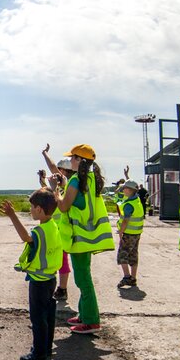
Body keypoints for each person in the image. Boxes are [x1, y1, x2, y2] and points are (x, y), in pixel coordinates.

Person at [50, 143, 115, 335]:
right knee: (83, 277)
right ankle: (84, 314)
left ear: (80, 160)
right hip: (88, 237)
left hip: (79, 239)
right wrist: (65, 185)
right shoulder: (91, 179)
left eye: (72, 158)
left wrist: (55, 189)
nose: (70, 161)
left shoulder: (76, 180)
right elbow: (79, 200)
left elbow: (63, 207)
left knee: (83, 280)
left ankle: (91, 321)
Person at [0, 189, 63, 360]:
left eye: (32, 207)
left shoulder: (40, 231)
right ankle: (46, 348)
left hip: (39, 281)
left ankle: (39, 353)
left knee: (38, 318)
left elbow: (26, 237)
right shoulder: (53, 226)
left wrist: (12, 216)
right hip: (51, 277)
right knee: (48, 315)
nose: (30, 210)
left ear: (40, 210)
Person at [40, 146, 73, 300]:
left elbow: (52, 167)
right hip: (58, 229)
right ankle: (61, 288)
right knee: (59, 259)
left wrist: (45, 153)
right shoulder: (69, 185)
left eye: (59, 171)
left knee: (60, 260)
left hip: (61, 231)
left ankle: (62, 288)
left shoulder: (67, 186)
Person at [116, 180, 143, 288]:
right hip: (137, 233)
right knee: (133, 254)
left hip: (128, 233)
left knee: (122, 255)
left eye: (125, 188)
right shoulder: (136, 200)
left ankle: (127, 277)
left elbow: (126, 220)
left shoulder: (128, 205)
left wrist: (120, 232)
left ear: (130, 190)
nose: (123, 190)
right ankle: (133, 277)